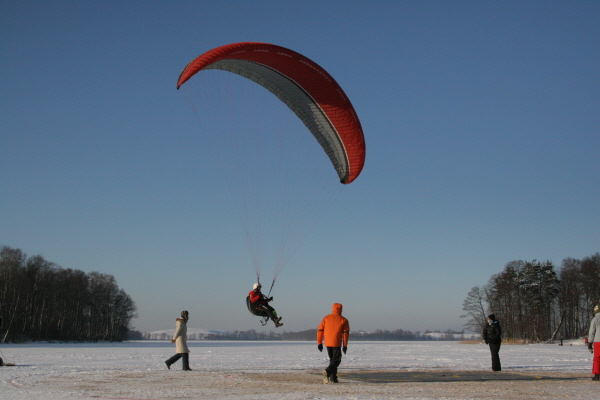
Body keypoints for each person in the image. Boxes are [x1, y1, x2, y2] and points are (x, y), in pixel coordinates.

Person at [317, 303, 349, 384]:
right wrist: (345, 345)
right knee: (337, 360)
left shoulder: (326, 318)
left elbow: (320, 330)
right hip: (336, 342)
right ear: (341, 309)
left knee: (332, 361)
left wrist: (319, 343)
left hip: (327, 342)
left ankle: (333, 378)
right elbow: (345, 333)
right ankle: (328, 371)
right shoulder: (343, 320)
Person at [588, 302, 600, 381]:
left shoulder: (595, 319)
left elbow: (592, 332)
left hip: (598, 341)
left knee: (597, 358)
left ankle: (597, 374)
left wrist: (590, 342)